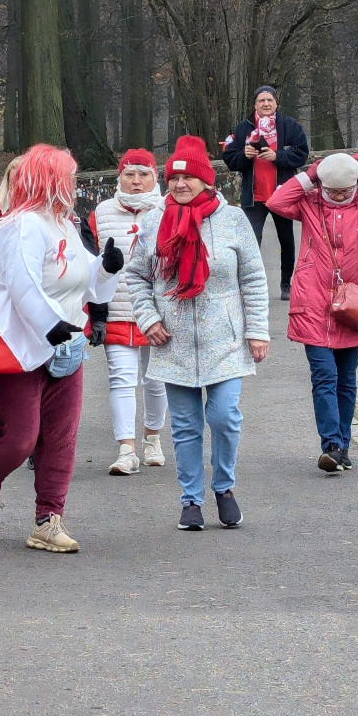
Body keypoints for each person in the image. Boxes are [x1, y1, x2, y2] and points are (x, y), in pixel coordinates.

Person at [126, 135, 270, 531]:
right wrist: (149, 319)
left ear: (207, 181)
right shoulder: (156, 221)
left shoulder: (233, 220)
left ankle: (223, 486)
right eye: (173, 178)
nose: (179, 185)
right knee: (186, 426)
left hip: (224, 341)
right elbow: (137, 276)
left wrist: (257, 331)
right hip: (172, 342)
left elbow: (254, 279)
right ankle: (191, 500)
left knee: (224, 417)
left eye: (188, 178)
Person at [266, 152, 358, 474]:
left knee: (346, 379)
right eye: (334, 189)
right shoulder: (311, 201)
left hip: (355, 301)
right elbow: (276, 201)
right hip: (313, 299)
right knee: (324, 376)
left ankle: (342, 447)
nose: (341, 195)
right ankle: (331, 444)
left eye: (346, 189)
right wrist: (313, 174)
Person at [87, 149, 168, 475]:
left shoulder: (169, 210)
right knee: (120, 380)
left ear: (155, 178)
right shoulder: (102, 212)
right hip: (117, 310)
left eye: (143, 174)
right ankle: (126, 450)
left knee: (156, 381)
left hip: (157, 313)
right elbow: (91, 263)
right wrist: (95, 314)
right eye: (129, 175)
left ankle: (153, 439)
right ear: (119, 177)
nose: (136, 181)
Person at [222, 85, 309, 300]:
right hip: (254, 198)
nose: (266, 104)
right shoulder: (243, 128)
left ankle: (285, 284)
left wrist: (277, 157)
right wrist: (245, 155)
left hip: (282, 196)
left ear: (276, 103)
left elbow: (302, 155)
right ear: (255, 105)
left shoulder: (290, 126)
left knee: (287, 241)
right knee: (250, 243)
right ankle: (253, 285)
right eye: (261, 101)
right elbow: (231, 160)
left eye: (270, 100)